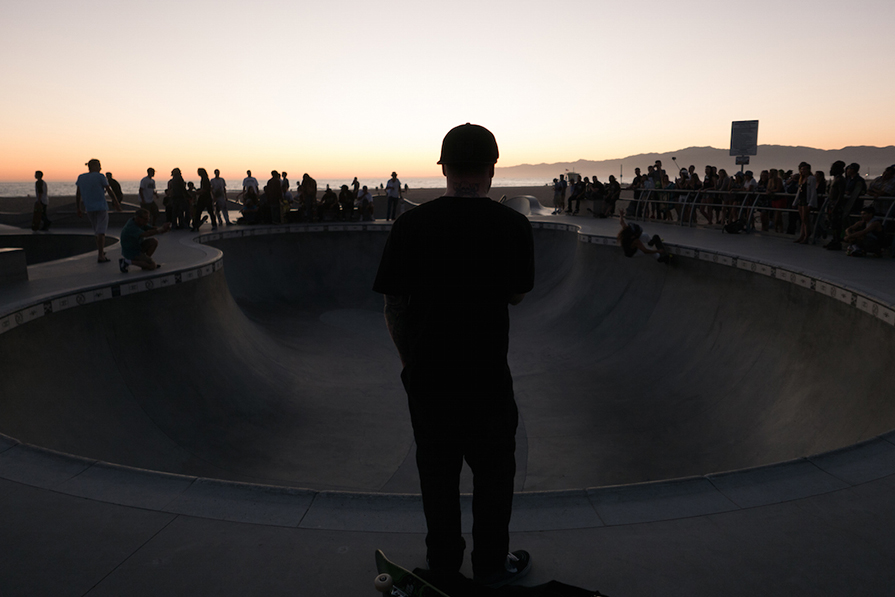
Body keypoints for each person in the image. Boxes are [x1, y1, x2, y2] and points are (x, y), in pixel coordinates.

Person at [373, 123, 534, 588]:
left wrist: (410, 363)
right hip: (487, 378)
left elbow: (395, 305)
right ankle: (489, 565)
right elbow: (517, 295)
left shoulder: (410, 225)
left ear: (443, 168)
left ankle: (442, 565)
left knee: (437, 477)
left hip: (429, 380)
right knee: (495, 477)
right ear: (492, 168)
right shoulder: (512, 225)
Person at [76, 158, 122, 263]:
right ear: (94, 166)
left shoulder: (81, 177)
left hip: (89, 208)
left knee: (97, 231)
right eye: (99, 165)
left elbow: (78, 194)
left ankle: (100, 251)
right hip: (101, 207)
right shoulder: (100, 176)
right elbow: (109, 190)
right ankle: (101, 255)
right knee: (101, 232)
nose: (101, 168)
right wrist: (116, 203)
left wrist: (78, 208)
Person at [823, 161, 847, 250]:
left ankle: (837, 242)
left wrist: (835, 206)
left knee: (836, 224)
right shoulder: (835, 179)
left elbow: (840, 195)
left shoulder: (840, 180)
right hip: (832, 203)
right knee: (833, 224)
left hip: (836, 204)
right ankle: (834, 240)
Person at [793, 162, 817, 244]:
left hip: (807, 201)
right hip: (801, 200)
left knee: (805, 219)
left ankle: (806, 236)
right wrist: (795, 202)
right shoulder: (801, 179)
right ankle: (802, 235)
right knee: (802, 219)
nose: (803, 171)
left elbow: (813, 191)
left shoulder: (811, 179)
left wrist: (811, 203)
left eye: (804, 169)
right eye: (801, 169)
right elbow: (798, 192)